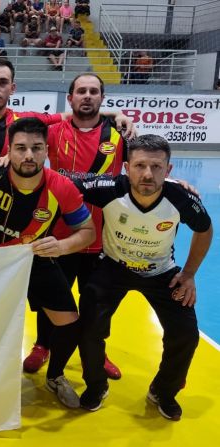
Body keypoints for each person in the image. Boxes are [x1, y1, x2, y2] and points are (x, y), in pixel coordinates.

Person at [0, 117, 96, 408]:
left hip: (34, 259)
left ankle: (56, 376)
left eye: (37, 148)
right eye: (21, 148)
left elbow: (87, 232)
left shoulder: (62, 187)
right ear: (8, 150)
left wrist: (61, 246)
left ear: (47, 150)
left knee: (70, 323)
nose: (29, 156)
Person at [77, 134, 213, 421]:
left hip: (162, 273)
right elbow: (58, 183)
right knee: (88, 326)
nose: (148, 174)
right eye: (139, 166)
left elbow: (205, 228)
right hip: (113, 268)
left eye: (156, 167)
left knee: (185, 335)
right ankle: (96, 385)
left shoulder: (181, 198)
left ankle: (164, 390)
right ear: (126, 167)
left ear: (169, 170)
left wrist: (188, 274)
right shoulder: (109, 188)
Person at [25, 73, 128, 379]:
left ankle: (96, 350)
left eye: (93, 91)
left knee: (98, 301)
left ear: (102, 97)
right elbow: (21, 118)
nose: (87, 96)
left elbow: (142, 172)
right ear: (69, 99)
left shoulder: (119, 135)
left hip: (102, 238)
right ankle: (43, 345)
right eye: (80, 91)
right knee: (52, 296)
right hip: (58, 235)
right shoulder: (52, 131)